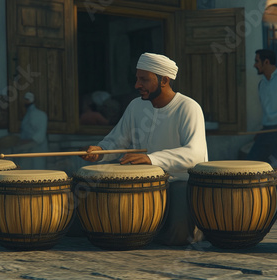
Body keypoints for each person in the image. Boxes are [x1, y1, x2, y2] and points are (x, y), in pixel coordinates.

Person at [81, 52, 208, 246]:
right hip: (141, 181)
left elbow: (196, 153)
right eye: (137, 79)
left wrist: (152, 159)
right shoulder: (135, 106)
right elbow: (117, 141)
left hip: (178, 182)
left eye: (144, 80)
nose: (137, 85)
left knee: (179, 235)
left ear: (164, 80)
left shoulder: (188, 107)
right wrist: (100, 151)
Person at [10, 92, 48, 169]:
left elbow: (39, 136)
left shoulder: (40, 115)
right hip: (27, 149)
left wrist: (25, 142)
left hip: (37, 149)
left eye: (27, 100)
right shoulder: (27, 115)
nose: (25, 102)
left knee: (37, 170)